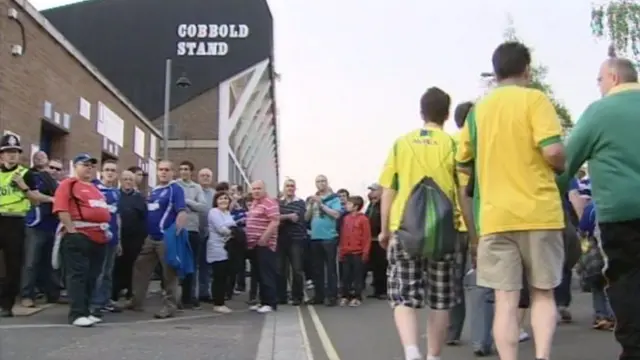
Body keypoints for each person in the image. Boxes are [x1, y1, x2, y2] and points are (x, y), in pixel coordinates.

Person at [456, 42, 566, 360]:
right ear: (527, 70)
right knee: (542, 293)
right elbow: (553, 151)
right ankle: (542, 356)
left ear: (495, 72)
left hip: (495, 218)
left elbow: (463, 166)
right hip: (539, 213)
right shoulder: (535, 100)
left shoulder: (477, 113)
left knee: (505, 299)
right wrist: (560, 164)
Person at [560, 57, 640, 359]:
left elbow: (565, 164)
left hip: (620, 215)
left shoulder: (599, 112)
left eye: (599, 80)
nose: (599, 86)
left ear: (613, 78)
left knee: (627, 281)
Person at [379, 87, 460, 360]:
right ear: (447, 114)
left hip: (405, 228)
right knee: (440, 298)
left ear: (421, 112)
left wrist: (384, 229)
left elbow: (388, 190)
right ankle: (433, 356)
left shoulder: (402, 143)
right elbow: (462, 192)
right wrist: (472, 234)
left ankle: (412, 352)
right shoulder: (453, 144)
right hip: (443, 230)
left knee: (403, 296)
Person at [53, 153, 111, 327]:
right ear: (75, 166)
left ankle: (86, 310)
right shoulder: (68, 184)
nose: (89, 168)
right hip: (79, 235)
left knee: (92, 276)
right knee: (78, 276)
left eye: (92, 165)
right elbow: (61, 208)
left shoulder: (96, 189)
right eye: (85, 164)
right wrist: (72, 231)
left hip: (98, 238)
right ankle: (77, 313)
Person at [128, 160, 187, 319]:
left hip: (165, 238)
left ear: (173, 172)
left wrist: (175, 235)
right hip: (150, 238)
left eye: (167, 169)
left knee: (169, 274)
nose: (163, 172)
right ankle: (136, 301)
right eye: (160, 169)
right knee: (140, 268)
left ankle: (170, 306)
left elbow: (181, 212)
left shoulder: (175, 189)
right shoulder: (155, 191)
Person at [447, 101, 474, 345]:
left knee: (454, 282)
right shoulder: (481, 142)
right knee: (489, 282)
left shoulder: (448, 144)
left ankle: (453, 333)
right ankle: (485, 334)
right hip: (480, 222)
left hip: (454, 226)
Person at [21, 151, 59, 307]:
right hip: (35, 224)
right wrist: (52, 199)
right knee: (31, 262)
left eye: (43, 157)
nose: (39, 159)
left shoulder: (53, 181)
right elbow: (33, 196)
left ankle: (52, 293)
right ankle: (26, 295)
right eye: (36, 157)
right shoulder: (29, 176)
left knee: (49, 263)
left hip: (52, 225)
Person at [90, 159, 123, 317]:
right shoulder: (94, 188)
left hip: (113, 238)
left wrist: (119, 240)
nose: (110, 173)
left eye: (113, 170)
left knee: (109, 272)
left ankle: (106, 300)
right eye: (107, 170)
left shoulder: (117, 193)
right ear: (102, 172)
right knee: (99, 271)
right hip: (97, 237)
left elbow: (117, 218)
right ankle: (95, 303)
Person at [306, 175, 342, 307]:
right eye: (318, 181)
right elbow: (306, 217)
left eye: (323, 181)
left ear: (327, 183)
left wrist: (321, 204)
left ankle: (332, 296)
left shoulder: (334, 198)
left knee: (331, 268)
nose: (321, 184)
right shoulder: (313, 199)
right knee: (317, 269)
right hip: (315, 237)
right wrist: (310, 206)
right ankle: (319, 295)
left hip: (329, 237)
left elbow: (337, 214)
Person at [112, 170, 147, 302]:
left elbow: (144, 218)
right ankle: (114, 293)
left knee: (133, 265)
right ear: (121, 180)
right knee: (116, 265)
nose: (128, 182)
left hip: (135, 238)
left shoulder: (139, 198)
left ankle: (130, 293)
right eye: (125, 179)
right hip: (118, 236)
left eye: (130, 179)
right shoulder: (115, 195)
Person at [176, 160, 207, 309]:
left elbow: (202, 206)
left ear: (191, 172)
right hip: (177, 229)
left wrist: (186, 201)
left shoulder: (197, 187)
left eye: (186, 169)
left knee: (191, 265)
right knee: (176, 263)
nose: (183, 172)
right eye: (181, 169)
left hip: (192, 230)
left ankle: (188, 297)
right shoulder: (174, 185)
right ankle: (175, 296)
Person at [246, 180, 279, 313]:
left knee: (267, 274)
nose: (256, 191)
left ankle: (270, 303)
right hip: (254, 245)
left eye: (259, 189)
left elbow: (275, 221)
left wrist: (264, 238)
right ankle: (262, 301)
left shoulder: (270, 203)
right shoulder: (254, 203)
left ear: (264, 189)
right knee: (258, 274)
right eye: (254, 189)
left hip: (265, 244)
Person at [277, 179, 307, 306]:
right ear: (283, 188)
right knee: (280, 269)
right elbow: (274, 217)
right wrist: (287, 216)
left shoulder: (300, 203)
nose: (289, 188)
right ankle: (281, 297)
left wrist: (283, 217)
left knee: (297, 269)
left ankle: (297, 297)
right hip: (281, 239)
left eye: (292, 186)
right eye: (287, 186)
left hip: (296, 239)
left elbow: (297, 218)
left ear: (295, 188)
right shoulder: (278, 203)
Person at [206, 191, 236, 313]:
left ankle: (221, 300)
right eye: (220, 199)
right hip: (216, 248)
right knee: (219, 276)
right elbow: (221, 229)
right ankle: (218, 303)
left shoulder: (228, 213)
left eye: (225, 198)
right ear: (215, 201)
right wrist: (234, 233)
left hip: (227, 248)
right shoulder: (213, 212)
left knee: (225, 276)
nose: (223, 201)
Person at [338, 195, 371, 307]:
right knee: (346, 276)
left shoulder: (363, 219)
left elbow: (367, 237)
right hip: (347, 251)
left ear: (356, 207)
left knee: (358, 276)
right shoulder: (346, 218)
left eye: (349, 204)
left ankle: (357, 296)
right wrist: (341, 250)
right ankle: (345, 295)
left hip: (358, 252)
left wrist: (365, 252)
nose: (346, 205)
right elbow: (343, 235)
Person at [364, 183, 385, 300]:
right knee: (375, 267)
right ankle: (377, 289)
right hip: (371, 239)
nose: (371, 193)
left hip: (380, 238)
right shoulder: (371, 205)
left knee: (382, 266)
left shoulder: (383, 204)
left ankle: (383, 290)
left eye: (373, 190)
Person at [197, 168, 215, 302]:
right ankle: (192, 293)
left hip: (209, 233)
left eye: (208, 176)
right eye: (203, 175)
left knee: (206, 264)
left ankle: (204, 292)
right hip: (194, 231)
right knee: (193, 263)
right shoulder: (194, 191)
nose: (205, 178)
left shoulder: (215, 194)